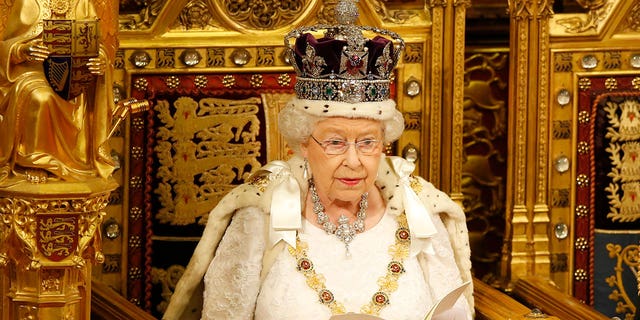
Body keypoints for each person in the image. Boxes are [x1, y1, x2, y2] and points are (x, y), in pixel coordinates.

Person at [163, 0, 473, 319]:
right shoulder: (261, 216)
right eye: (335, 142)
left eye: (368, 142)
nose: (353, 161)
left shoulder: (419, 212)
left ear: (384, 144)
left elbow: (456, 313)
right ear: (303, 144)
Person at [0, 0, 117, 183]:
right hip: (32, 73)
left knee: (70, 96)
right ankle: (36, 162)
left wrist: (99, 60)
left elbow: (96, 43)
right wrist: (23, 50)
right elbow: (6, 47)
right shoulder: (28, 2)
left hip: (74, 77)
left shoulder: (82, 2)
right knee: (41, 97)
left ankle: (72, 161)